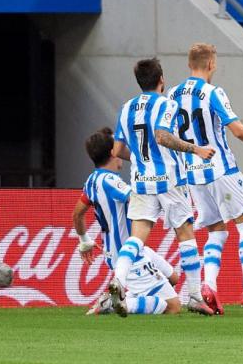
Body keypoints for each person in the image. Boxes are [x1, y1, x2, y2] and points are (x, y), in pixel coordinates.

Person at [167, 43, 243, 315]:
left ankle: (208, 285)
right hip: (222, 169)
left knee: (216, 230)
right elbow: (237, 130)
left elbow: (167, 135)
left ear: (189, 64)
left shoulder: (172, 94)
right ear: (211, 64)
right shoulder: (212, 92)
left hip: (193, 175)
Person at [111, 58, 216, 316]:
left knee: (137, 238)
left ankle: (118, 279)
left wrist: (138, 158)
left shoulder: (126, 108)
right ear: (161, 80)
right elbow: (162, 136)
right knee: (186, 235)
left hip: (140, 180)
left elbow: (116, 150)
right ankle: (193, 296)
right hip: (169, 179)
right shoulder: (167, 103)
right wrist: (196, 149)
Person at [72, 127, 180, 315]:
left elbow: (77, 214)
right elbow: (136, 198)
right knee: (173, 307)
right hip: (129, 255)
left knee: (173, 278)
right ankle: (114, 305)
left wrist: (84, 241)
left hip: (127, 251)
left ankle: (121, 299)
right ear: (113, 152)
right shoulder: (112, 181)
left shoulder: (91, 181)